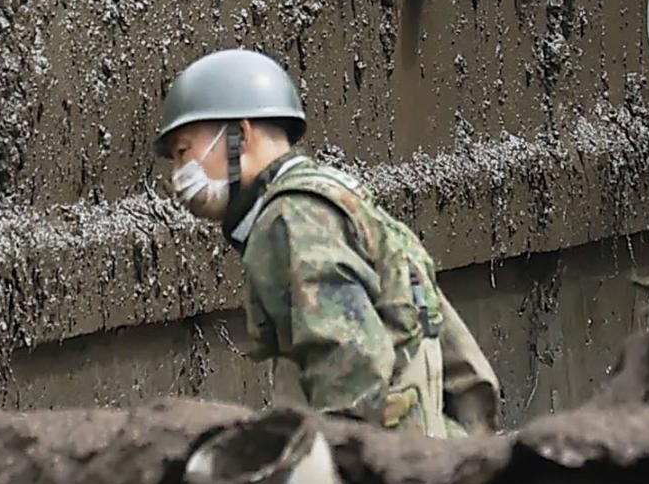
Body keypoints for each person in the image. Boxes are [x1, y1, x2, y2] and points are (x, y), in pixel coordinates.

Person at [156, 47, 497, 435]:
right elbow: (465, 371)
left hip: (375, 472)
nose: (179, 173)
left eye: (184, 151)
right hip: (419, 465)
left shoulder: (292, 218)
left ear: (242, 135)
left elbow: (350, 373)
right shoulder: (340, 200)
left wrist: (342, 475)